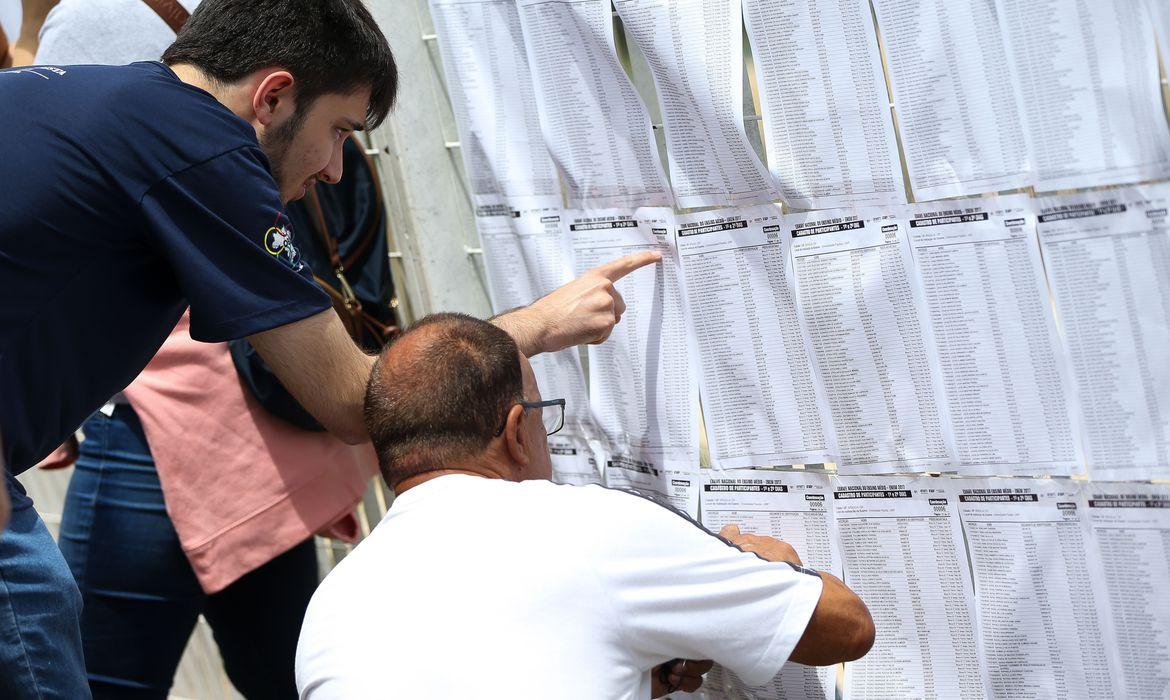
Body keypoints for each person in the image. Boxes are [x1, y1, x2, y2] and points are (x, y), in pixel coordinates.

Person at [0, 1, 654, 695]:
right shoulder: (205, 147)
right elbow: (351, 399)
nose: (339, 171)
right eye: (338, 131)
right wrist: (538, 326)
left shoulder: (82, 93)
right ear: (274, 96)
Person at [34, 3, 381, 696]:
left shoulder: (97, 24)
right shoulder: (241, 44)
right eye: (338, 136)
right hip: (222, 419)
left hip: (182, 411)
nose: (338, 167)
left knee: (99, 680)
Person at [295, 313, 875, 699]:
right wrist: (753, 562)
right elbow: (845, 629)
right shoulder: (591, 530)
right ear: (518, 431)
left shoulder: (327, 609)